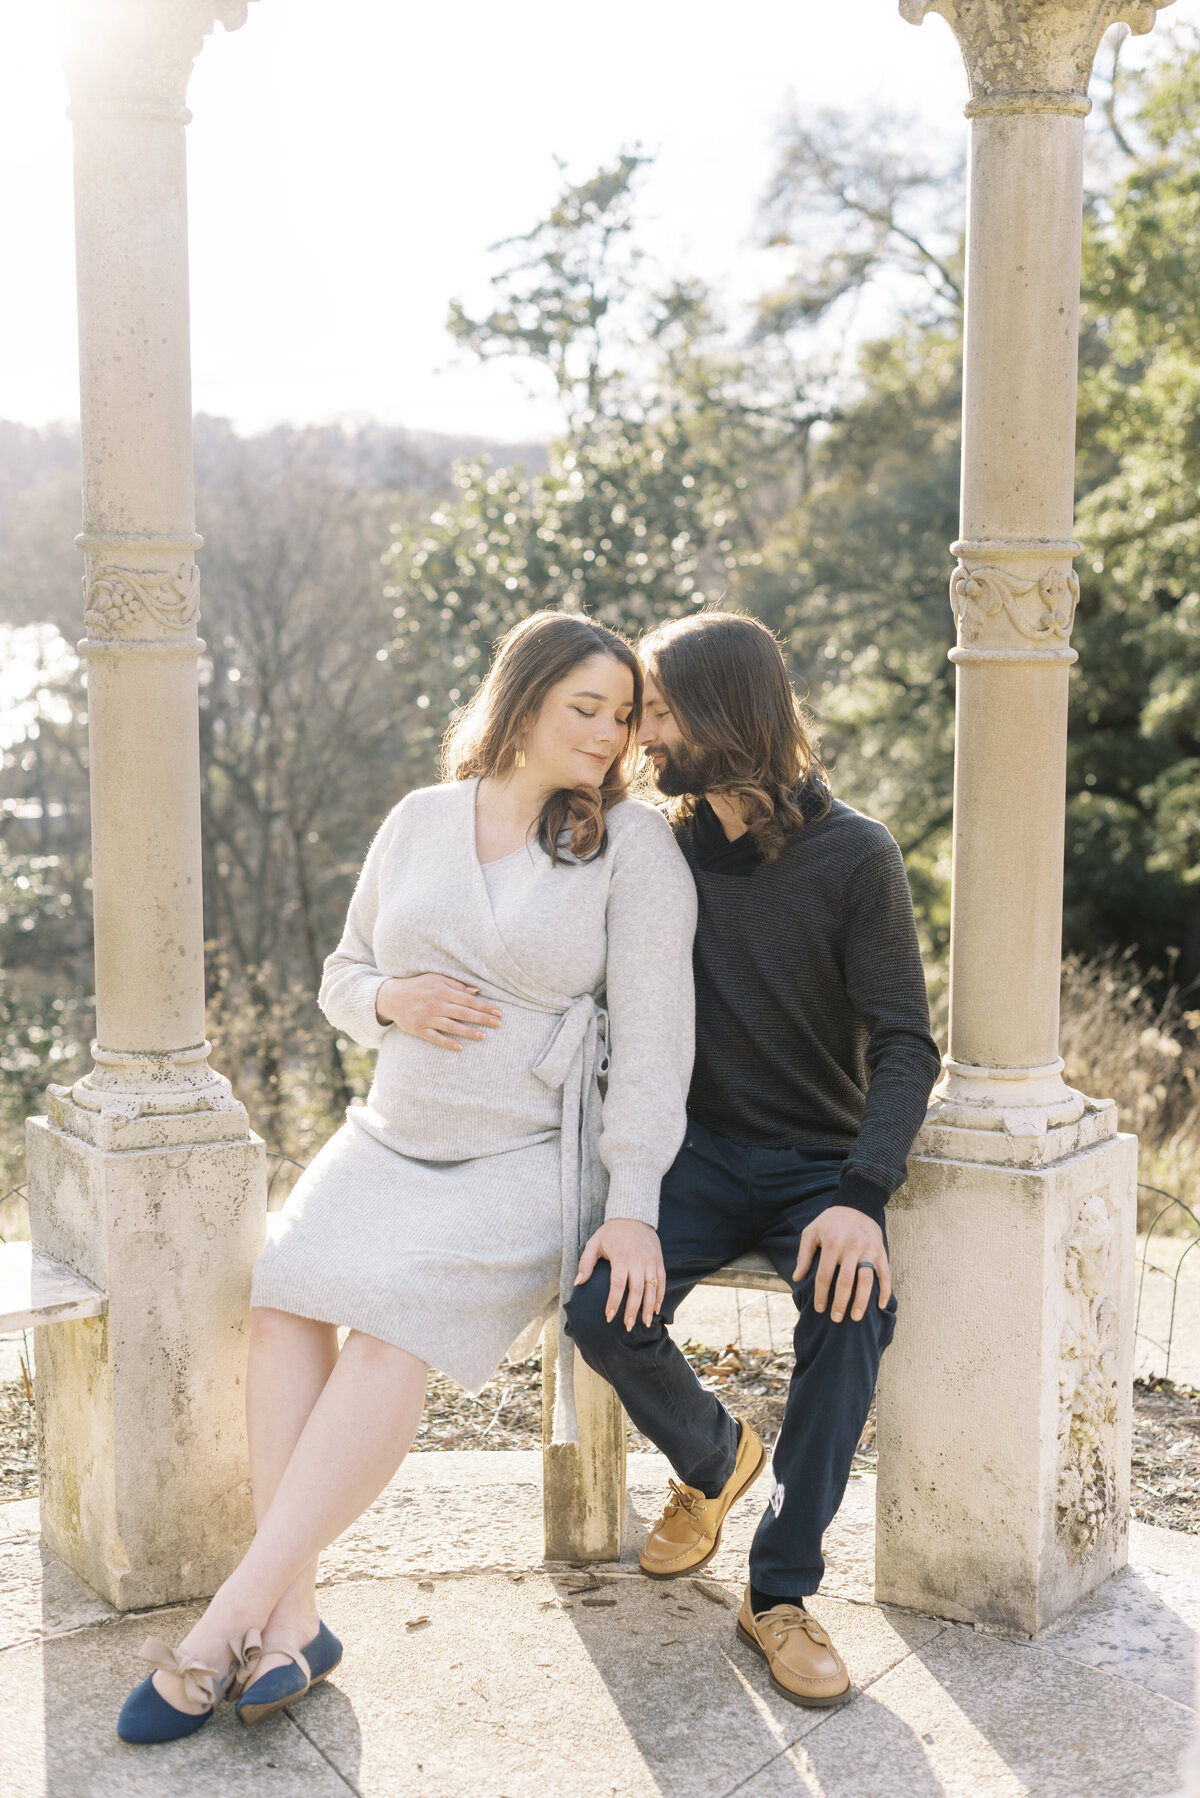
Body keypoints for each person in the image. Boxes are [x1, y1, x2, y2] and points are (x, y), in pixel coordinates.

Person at [117, 609, 697, 1744]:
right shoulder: (421, 820)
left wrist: (632, 1208)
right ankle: (296, 1622)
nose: (609, 734)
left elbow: (659, 1044)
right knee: (283, 1297)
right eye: (586, 707)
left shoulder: (636, 847)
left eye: (624, 716)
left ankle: (224, 1626)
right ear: (521, 702)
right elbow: (345, 975)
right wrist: (391, 1000)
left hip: (528, 1158)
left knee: (389, 1329)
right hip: (386, 1137)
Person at [565, 610, 941, 1709]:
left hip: (819, 1162)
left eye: (664, 710)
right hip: (694, 1155)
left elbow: (910, 1041)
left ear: (726, 712)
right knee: (598, 1308)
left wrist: (863, 1197)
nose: (646, 734)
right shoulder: (662, 842)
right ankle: (715, 1456)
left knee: (856, 1308)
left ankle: (778, 1590)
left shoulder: (855, 854)